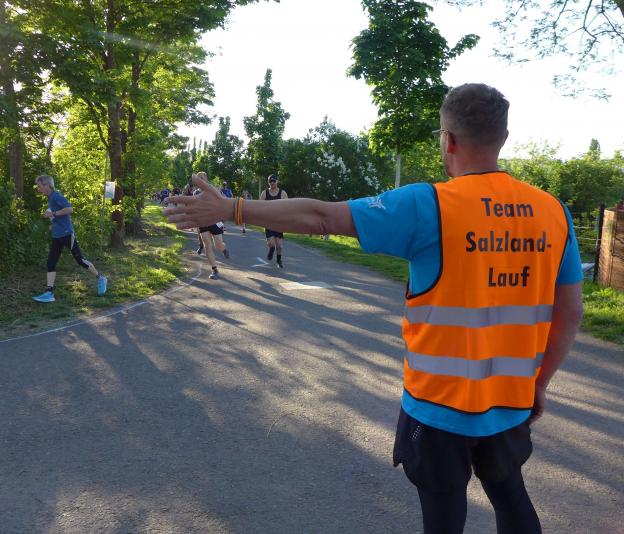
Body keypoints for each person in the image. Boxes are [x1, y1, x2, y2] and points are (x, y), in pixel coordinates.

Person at [165, 83, 584, 534]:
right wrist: (539, 383)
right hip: (511, 400)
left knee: (444, 518)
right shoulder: (552, 212)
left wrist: (233, 208)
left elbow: (323, 217)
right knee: (511, 498)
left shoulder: (428, 204)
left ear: (448, 140)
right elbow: (570, 313)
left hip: (437, 407)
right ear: (503, 137)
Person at [32, 174, 108, 303]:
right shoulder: (50, 198)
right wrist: (53, 225)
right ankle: (49, 292)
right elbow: (58, 217)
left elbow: (69, 209)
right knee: (51, 263)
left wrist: (53, 214)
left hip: (67, 234)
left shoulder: (56, 196)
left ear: (47, 185)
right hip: (57, 236)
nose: (39, 189)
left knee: (80, 260)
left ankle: (100, 278)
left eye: (40, 186)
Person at [194, 172, 230, 279]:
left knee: (218, 246)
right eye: (198, 178)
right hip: (203, 222)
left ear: (206, 179)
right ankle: (214, 270)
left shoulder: (212, 189)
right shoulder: (196, 193)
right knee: (207, 245)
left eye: (202, 178)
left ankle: (224, 249)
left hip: (215, 220)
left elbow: (223, 200)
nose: (200, 180)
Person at [259, 174, 288, 268]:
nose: (272, 183)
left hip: (279, 222)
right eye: (270, 181)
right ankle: (271, 250)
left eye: (274, 181)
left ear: (277, 181)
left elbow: (288, 206)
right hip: (268, 222)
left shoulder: (282, 193)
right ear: (268, 183)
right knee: (271, 244)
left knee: (279, 245)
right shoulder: (265, 193)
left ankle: (279, 260)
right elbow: (259, 205)